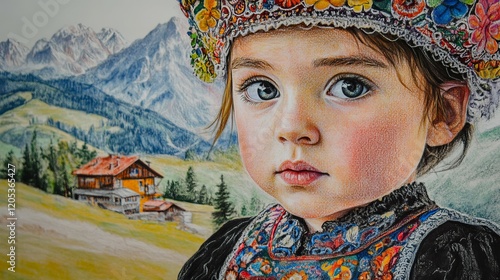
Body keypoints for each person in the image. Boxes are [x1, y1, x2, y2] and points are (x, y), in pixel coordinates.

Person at [177, 0, 500, 279]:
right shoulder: (225, 253)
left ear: (442, 113)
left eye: (350, 86)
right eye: (263, 89)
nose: (291, 128)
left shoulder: (454, 260)